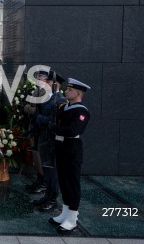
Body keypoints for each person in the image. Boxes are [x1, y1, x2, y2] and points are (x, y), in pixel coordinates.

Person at [48, 78, 91, 234]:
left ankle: (72, 218)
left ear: (78, 93)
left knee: (72, 183)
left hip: (72, 148)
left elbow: (73, 130)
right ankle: (65, 212)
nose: (66, 91)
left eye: (70, 90)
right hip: (61, 147)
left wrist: (54, 128)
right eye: (67, 89)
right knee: (64, 181)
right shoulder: (65, 107)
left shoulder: (82, 111)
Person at [31, 71, 67, 212]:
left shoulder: (60, 100)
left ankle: (52, 199)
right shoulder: (46, 98)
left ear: (55, 84)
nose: (45, 84)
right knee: (46, 169)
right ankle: (47, 196)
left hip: (52, 141)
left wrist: (39, 119)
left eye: (48, 82)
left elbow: (54, 121)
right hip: (43, 138)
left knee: (53, 172)